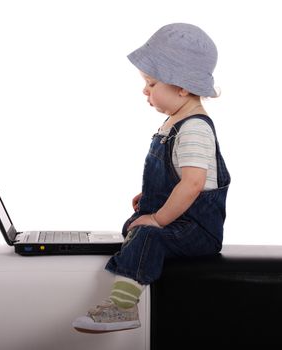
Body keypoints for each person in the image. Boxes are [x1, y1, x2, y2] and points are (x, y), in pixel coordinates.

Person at [72, 23, 231, 333]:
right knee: (132, 226)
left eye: (152, 83)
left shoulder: (195, 127)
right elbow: (176, 178)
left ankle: (123, 308)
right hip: (179, 217)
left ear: (182, 86)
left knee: (146, 234)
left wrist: (158, 218)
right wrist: (151, 201)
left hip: (196, 229)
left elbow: (193, 184)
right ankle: (134, 263)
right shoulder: (174, 121)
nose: (145, 90)